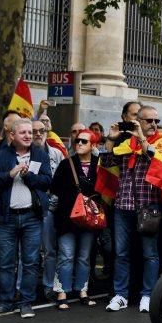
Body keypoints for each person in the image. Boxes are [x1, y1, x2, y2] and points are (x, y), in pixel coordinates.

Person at [101, 106, 162, 313]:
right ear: (138, 121)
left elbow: (158, 161)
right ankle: (120, 295)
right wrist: (111, 138)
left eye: (156, 121)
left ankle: (147, 295)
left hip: (147, 206)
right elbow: (107, 162)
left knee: (150, 254)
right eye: (149, 120)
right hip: (123, 206)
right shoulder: (124, 144)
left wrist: (142, 138)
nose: (154, 125)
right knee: (121, 253)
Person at [0, 118, 52, 318]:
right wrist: (10, 174)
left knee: (30, 262)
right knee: (6, 263)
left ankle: (26, 303)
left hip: (32, 217)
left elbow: (47, 181)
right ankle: (5, 302)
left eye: (30, 132)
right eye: (23, 133)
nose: (29, 136)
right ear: (12, 135)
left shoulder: (40, 155)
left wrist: (29, 175)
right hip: (6, 218)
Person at [50, 129, 102, 310]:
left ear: (93, 145)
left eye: (84, 141)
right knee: (66, 255)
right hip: (67, 217)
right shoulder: (66, 164)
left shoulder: (99, 164)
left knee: (84, 257)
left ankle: (82, 290)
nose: (79, 144)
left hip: (90, 218)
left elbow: (105, 190)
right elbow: (54, 187)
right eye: (77, 141)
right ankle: (62, 291)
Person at [32, 119, 63, 300]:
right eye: (34, 131)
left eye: (41, 130)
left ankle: (49, 286)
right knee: (28, 252)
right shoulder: (24, 153)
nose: (37, 134)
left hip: (50, 206)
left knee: (50, 250)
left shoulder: (57, 154)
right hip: (30, 206)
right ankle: (23, 288)